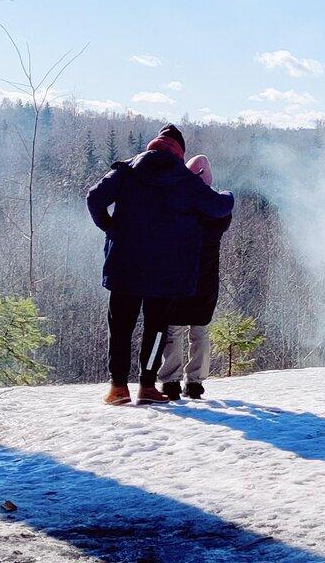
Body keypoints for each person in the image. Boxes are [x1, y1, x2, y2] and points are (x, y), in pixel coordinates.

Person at [86, 125, 234, 406]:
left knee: (120, 327)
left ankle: (117, 387)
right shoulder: (184, 180)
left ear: (153, 145)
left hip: (124, 265)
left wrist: (110, 227)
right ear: (179, 152)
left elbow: (94, 197)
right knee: (155, 329)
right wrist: (227, 194)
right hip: (166, 273)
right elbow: (219, 207)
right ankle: (146, 386)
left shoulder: (126, 171)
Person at [158, 154, 230, 400]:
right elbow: (225, 202)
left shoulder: (178, 206)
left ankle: (170, 381)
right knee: (200, 331)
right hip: (207, 278)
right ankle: (195, 383)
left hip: (179, 277)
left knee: (174, 330)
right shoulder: (218, 212)